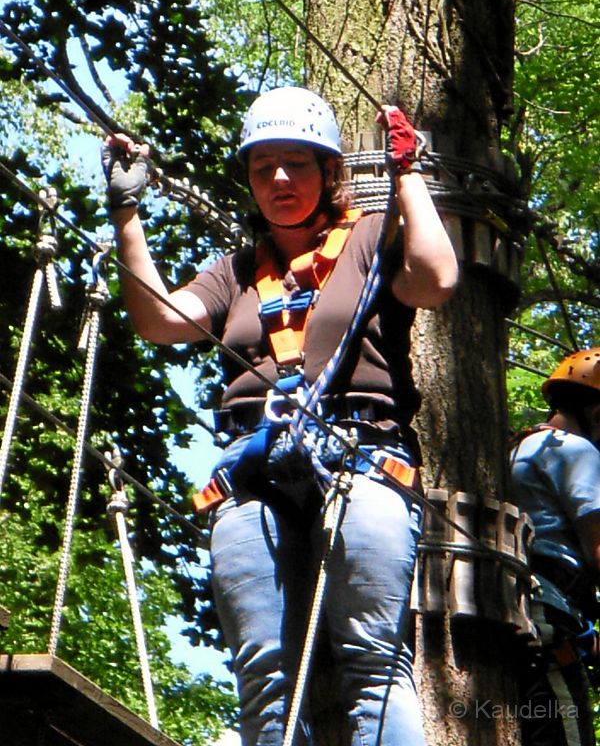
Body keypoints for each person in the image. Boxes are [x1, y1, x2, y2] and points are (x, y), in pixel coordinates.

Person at [101, 86, 458, 745]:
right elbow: (157, 320)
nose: (280, 179)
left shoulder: (372, 242)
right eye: (263, 168)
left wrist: (408, 175)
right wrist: (127, 211)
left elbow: (436, 278)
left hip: (361, 458)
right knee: (265, 678)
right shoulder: (233, 272)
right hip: (254, 470)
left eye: (297, 163)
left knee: (373, 662)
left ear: (329, 173)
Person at [509, 349, 600, 746]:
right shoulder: (577, 450)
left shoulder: (519, 448)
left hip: (531, 613)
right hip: (550, 616)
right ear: (597, 414)